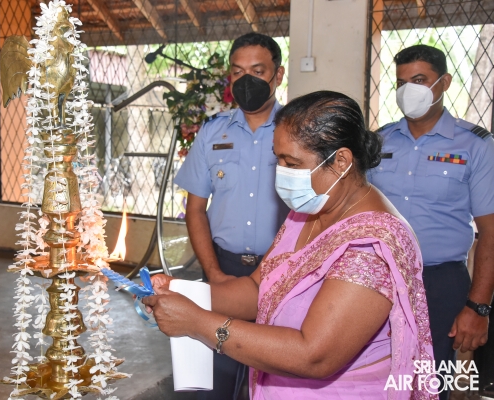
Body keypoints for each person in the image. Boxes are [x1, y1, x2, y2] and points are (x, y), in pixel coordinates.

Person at [145, 91, 437, 399]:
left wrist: (198, 323)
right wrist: (181, 291)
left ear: (341, 161)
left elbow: (313, 355)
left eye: (292, 163)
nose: (281, 173)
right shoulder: (308, 210)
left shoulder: (370, 245)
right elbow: (257, 290)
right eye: (278, 160)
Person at [368, 44, 494, 400]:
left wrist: (478, 307)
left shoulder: (476, 146)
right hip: (379, 278)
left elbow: (490, 233)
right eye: (402, 82)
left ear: (444, 83)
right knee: (373, 378)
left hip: (439, 283)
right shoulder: (378, 141)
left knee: (429, 382)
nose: (409, 90)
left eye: (420, 80)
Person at [173, 32, 289, 400]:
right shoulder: (212, 132)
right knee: (215, 381)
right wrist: (214, 275)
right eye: (238, 72)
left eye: (258, 71)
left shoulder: (298, 132)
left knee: (276, 381)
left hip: (282, 272)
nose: (246, 80)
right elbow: (195, 210)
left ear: (278, 74)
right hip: (223, 268)